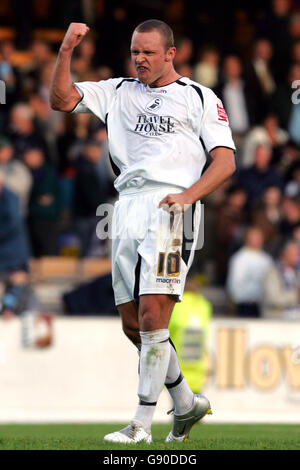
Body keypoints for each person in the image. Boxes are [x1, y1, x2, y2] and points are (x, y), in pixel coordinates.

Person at [50, 19, 236, 444]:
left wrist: (188, 197)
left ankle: (140, 425)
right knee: (133, 324)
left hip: (173, 208)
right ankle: (187, 404)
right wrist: (65, 51)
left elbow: (225, 162)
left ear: (171, 54)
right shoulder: (117, 90)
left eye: (149, 52)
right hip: (126, 207)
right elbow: (61, 100)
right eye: (135, 51)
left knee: (155, 313)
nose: (140, 59)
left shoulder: (199, 98)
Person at [226, 226, 273, 317]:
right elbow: (235, 285)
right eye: (254, 238)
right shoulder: (239, 259)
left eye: (259, 238)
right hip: (245, 305)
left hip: (264, 304)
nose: (257, 241)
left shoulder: (266, 259)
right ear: (247, 239)